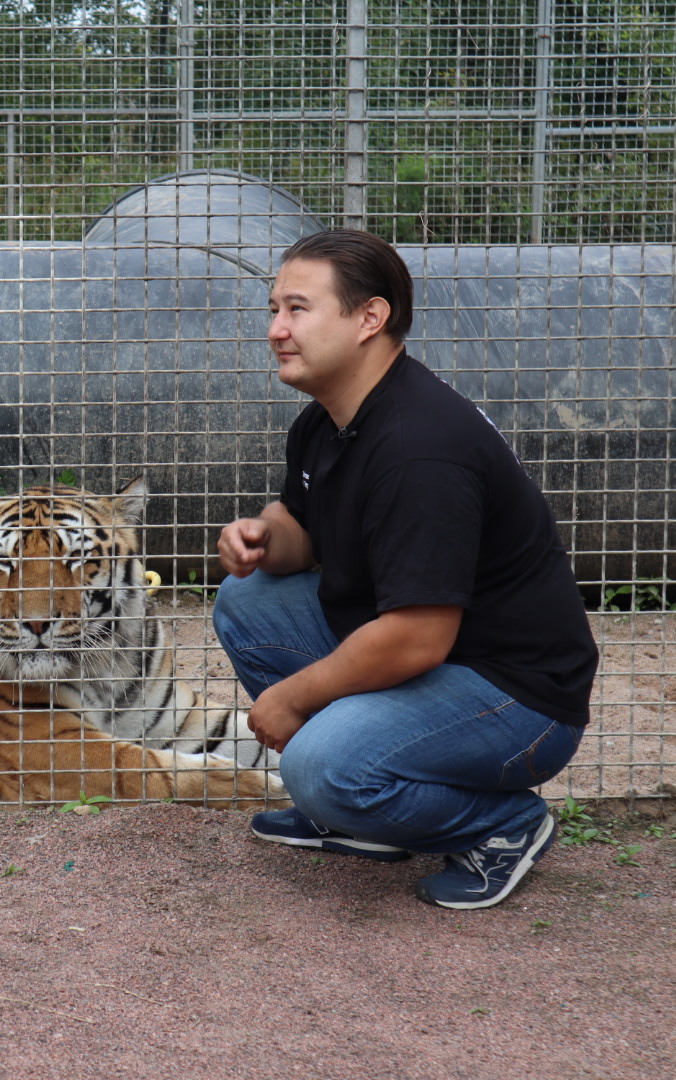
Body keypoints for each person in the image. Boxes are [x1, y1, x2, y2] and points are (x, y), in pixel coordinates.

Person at [213, 228, 599, 910]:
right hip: (443, 660)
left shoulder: (420, 447)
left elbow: (419, 637)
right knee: (250, 600)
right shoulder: (326, 421)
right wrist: (263, 536)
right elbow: (302, 531)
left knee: (320, 766)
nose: (276, 329)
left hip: (518, 699)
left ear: (370, 317)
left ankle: (504, 826)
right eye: (273, 309)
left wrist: (297, 697)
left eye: (297, 309)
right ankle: (369, 819)